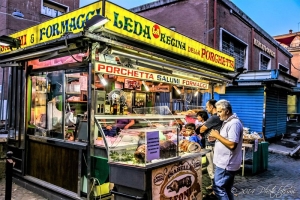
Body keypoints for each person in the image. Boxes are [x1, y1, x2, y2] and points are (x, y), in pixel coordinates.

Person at [209, 99, 243, 200]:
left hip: (226, 163)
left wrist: (218, 136)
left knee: (218, 188)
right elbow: (227, 139)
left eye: (220, 111)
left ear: (227, 111)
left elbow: (232, 144)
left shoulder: (234, 123)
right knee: (227, 189)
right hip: (225, 162)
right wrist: (216, 138)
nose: (217, 114)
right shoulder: (227, 122)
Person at [196, 99, 223, 192]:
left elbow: (201, 129)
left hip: (211, 145)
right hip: (215, 144)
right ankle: (215, 186)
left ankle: (216, 189)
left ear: (212, 107)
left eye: (207, 107)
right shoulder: (217, 117)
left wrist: (200, 129)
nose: (206, 109)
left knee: (211, 166)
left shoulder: (213, 117)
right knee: (214, 166)